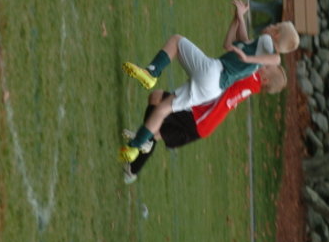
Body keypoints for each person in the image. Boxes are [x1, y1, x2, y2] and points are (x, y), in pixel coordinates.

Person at [119, 0, 299, 163]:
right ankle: (135, 147)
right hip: (212, 89)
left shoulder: (267, 44)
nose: (271, 25)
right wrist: (238, 18)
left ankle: (152, 72)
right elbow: (229, 44)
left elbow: (276, 59)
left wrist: (247, 58)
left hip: (213, 72)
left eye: (275, 25)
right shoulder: (257, 49)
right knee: (163, 108)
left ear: (276, 34)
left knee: (176, 41)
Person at [122, 64, 287, 184]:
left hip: (198, 117)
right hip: (204, 126)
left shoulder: (252, 78)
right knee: (157, 131)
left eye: (267, 67)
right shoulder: (252, 86)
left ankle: (142, 141)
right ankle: (132, 169)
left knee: (157, 98)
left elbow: (244, 58)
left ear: (265, 79)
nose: (263, 65)